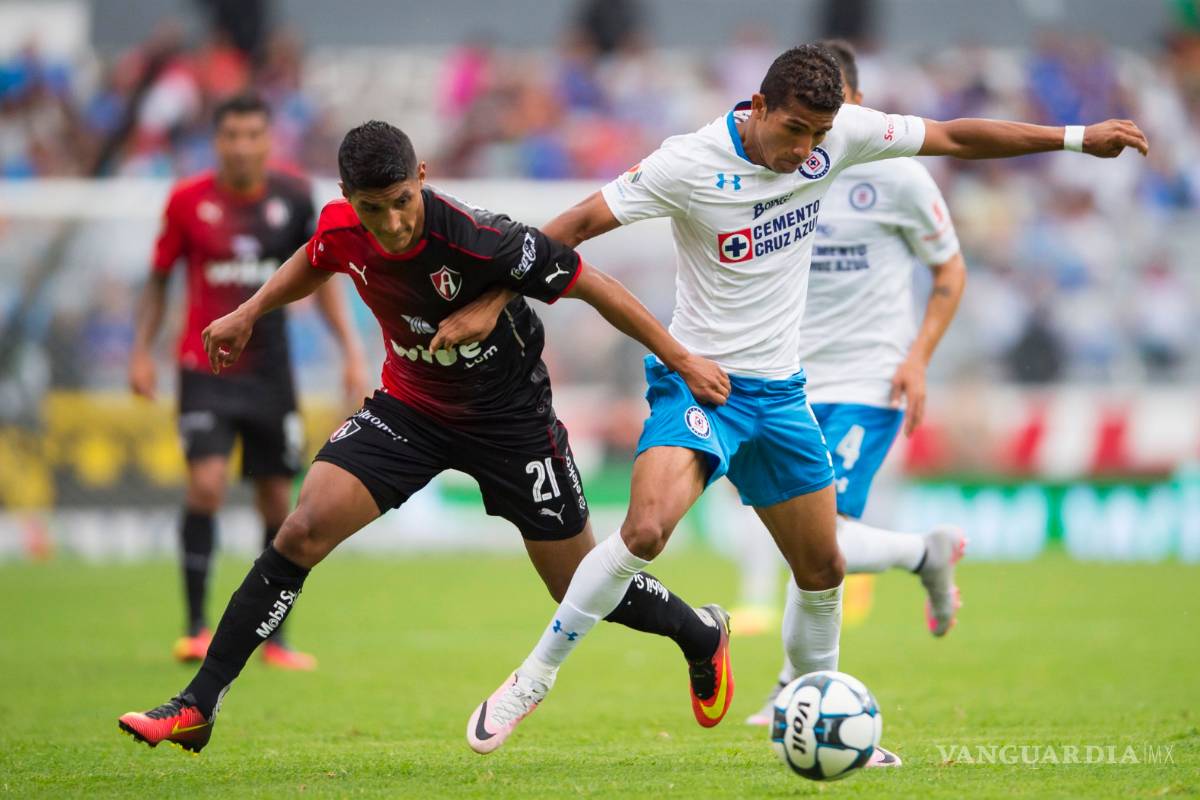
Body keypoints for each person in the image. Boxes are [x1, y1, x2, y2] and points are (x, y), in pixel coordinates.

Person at [445, 42, 1147, 758]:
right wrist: (495, 300)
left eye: (819, 135)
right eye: (793, 132)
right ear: (757, 107)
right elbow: (576, 226)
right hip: (700, 384)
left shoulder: (836, 137)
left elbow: (954, 136)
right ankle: (532, 679)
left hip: (782, 395)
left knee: (824, 569)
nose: (807, 151)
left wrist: (1076, 138)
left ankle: (819, 720)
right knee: (648, 529)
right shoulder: (687, 163)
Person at [117, 120, 735, 754]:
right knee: (302, 529)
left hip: (512, 425)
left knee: (576, 583)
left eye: (400, 203)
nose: (389, 223)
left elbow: (594, 286)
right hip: (410, 411)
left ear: (421, 178)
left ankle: (699, 633)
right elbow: (316, 258)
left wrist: (683, 360)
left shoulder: (482, 239)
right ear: (347, 197)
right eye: (371, 209)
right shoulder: (341, 226)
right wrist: (249, 310)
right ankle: (198, 704)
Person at [736, 39, 968, 726]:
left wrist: (918, 356)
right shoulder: (776, 167)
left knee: (823, 539)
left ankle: (793, 688)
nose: (820, 133)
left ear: (859, 109)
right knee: (805, 541)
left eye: (835, 115)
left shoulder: (896, 176)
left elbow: (950, 272)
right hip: (787, 378)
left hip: (870, 378)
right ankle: (924, 551)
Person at [128, 93, 367, 671]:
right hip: (204, 368)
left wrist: (351, 352)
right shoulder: (187, 202)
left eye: (252, 135)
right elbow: (159, 280)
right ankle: (193, 626)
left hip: (270, 372)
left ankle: (275, 640)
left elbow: (324, 273)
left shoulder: (292, 196)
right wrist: (141, 352)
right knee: (206, 485)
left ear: (267, 140)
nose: (241, 146)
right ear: (217, 141)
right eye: (230, 135)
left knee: (276, 499)